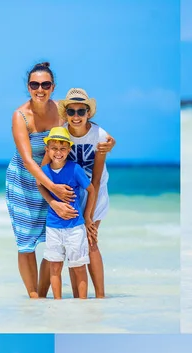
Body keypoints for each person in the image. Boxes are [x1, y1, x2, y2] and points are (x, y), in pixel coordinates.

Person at [6, 62, 114, 298]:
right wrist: (52, 188)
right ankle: (33, 297)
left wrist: (108, 143)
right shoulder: (20, 116)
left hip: (55, 179)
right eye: (35, 84)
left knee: (50, 240)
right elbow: (28, 161)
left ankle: (45, 296)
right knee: (26, 241)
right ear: (28, 86)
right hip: (26, 181)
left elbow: (83, 128)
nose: (40, 89)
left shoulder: (61, 111)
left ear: (53, 86)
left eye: (45, 84)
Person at [58, 88, 111, 298]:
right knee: (73, 244)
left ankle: (100, 296)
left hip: (95, 191)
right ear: (66, 114)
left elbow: (96, 179)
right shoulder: (62, 132)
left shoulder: (99, 135)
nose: (76, 116)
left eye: (81, 111)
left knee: (90, 240)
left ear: (89, 113)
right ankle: (78, 298)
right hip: (73, 194)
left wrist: (88, 215)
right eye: (71, 112)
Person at [41, 127, 96, 299]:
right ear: (47, 150)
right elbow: (39, 185)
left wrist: (87, 217)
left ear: (69, 150)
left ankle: (82, 304)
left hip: (75, 227)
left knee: (79, 267)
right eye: (54, 148)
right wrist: (53, 202)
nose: (58, 152)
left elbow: (91, 190)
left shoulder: (75, 169)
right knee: (55, 268)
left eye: (63, 149)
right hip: (53, 227)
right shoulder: (44, 172)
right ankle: (57, 304)